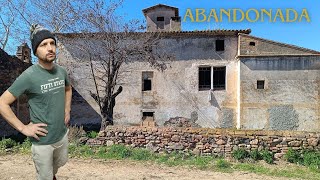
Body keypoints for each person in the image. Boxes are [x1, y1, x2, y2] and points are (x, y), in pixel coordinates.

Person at [0, 24, 72, 180]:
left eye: (52, 43)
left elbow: (68, 89)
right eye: (43, 45)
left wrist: (67, 110)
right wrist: (23, 128)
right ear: (35, 51)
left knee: (58, 165)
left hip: (61, 134)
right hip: (43, 141)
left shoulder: (61, 71)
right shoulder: (29, 76)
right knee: (44, 176)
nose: (50, 48)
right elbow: (2, 103)